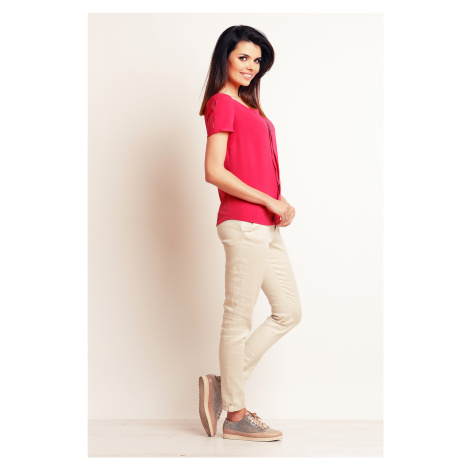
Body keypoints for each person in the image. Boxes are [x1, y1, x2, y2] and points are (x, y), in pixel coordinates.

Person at [198, 25, 302, 442]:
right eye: (243, 57)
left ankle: (224, 385)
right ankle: (236, 415)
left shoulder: (250, 106)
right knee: (238, 318)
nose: (251, 66)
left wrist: (279, 202)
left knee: (288, 311)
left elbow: (254, 165)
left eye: (257, 60)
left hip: (264, 224)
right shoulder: (221, 103)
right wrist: (268, 200)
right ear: (224, 57)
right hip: (243, 222)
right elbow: (214, 171)